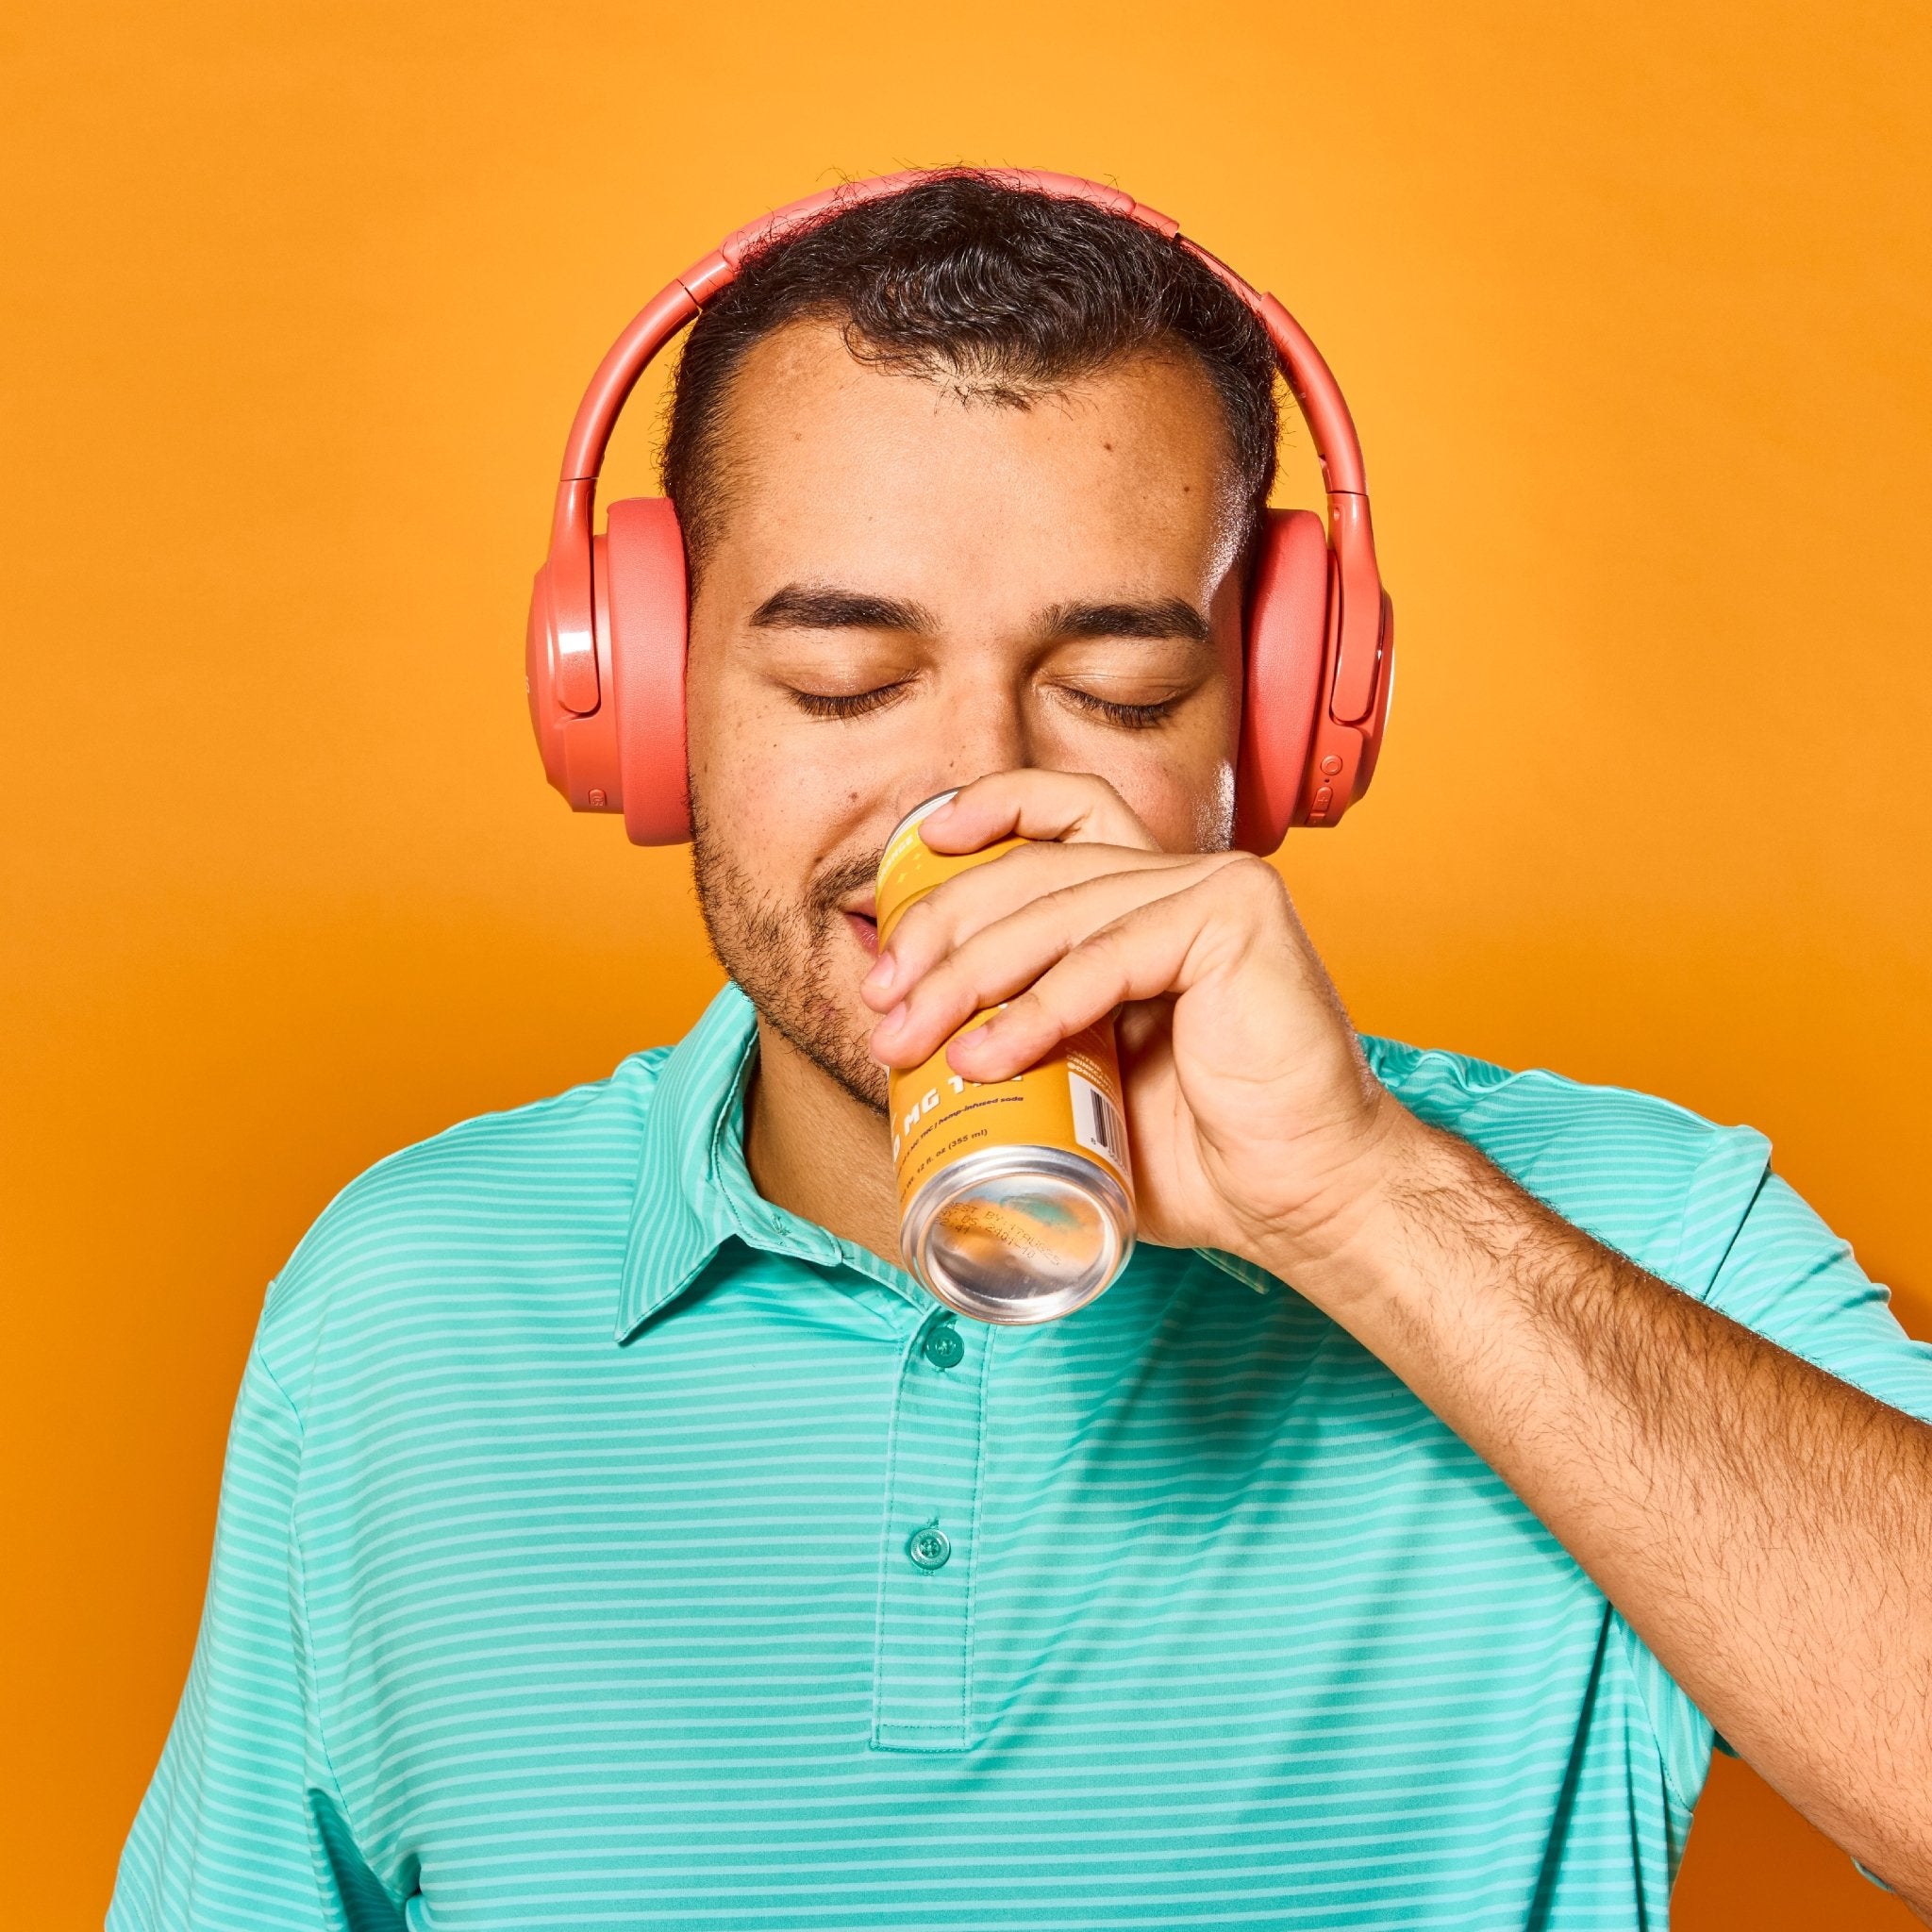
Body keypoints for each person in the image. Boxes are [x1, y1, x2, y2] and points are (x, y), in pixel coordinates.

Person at [110, 170, 1932, 1931]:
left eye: (1119, 691)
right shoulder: (402, 1305)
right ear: (645, 698)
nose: (973, 797)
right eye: (843, 682)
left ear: (1281, 723)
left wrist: (1369, 1211)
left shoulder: (1637, 1230)